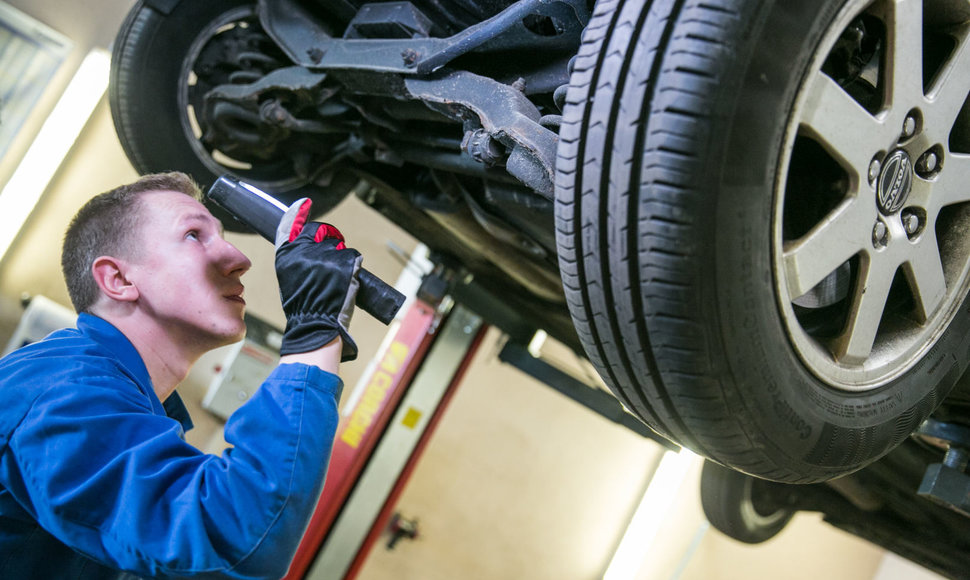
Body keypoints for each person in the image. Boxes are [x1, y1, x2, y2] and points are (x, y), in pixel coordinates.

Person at [0, 171, 362, 578]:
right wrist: (313, 333)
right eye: (194, 235)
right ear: (118, 279)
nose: (239, 259)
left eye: (221, 235)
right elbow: (230, 537)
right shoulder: (59, 388)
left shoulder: (133, 406)